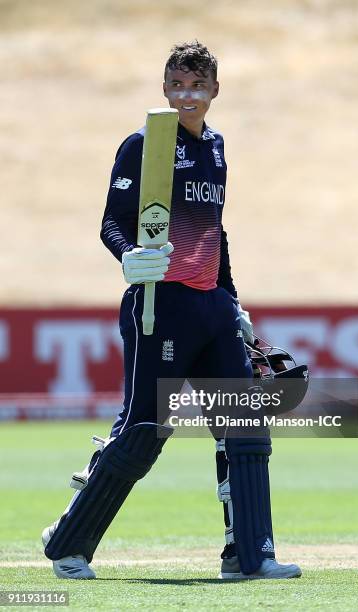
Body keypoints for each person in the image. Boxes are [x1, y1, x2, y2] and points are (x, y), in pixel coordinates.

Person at [42, 41, 301, 581]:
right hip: (160, 306)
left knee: (244, 426)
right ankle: (69, 545)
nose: (188, 96)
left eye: (198, 86)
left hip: (211, 306)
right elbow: (112, 221)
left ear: (214, 91)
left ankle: (250, 556)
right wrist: (128, 256)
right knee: (146, 427)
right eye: (178, 85)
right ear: (164, 88)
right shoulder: (145, 144)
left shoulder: (217, 147)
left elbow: (215, 230)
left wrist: (234, 300)